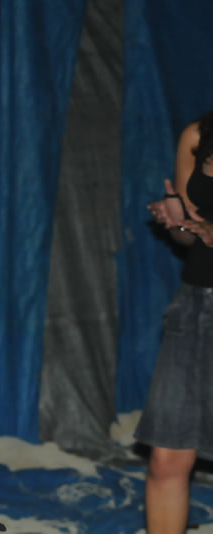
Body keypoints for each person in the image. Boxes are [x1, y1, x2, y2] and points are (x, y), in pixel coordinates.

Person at [139, 110, 213, 534]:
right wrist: (177, 221)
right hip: (195, 303)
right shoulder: (198, 134)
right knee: (168, 457)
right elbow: (193, 232)